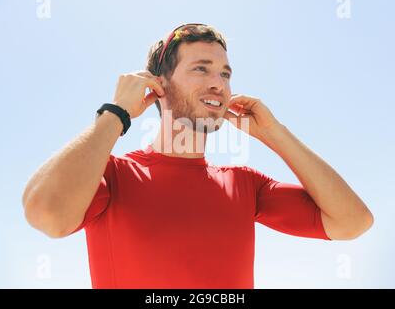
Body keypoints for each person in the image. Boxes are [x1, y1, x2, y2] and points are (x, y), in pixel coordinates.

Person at [22, 23, 374, 289]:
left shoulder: (245, 185)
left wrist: (275, 134)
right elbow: (45, 214)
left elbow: (353, 221)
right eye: (201, 68)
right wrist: (116, 113)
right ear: (158, 85)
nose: (218, 83)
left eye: (224, 73)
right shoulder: (114, 175)